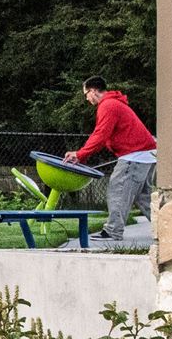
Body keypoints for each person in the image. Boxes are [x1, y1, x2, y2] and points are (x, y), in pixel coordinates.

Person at [68, 76, 158, 238]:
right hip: (147, 154)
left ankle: (113, 230)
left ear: (93, 91)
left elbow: (101, 134)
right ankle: (167, 229)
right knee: (143, 197)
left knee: (117, 190)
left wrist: (80, 154)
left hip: (134, 155)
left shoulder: (108, 105)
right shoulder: (115, 103)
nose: (86, 98)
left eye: (86, 93)